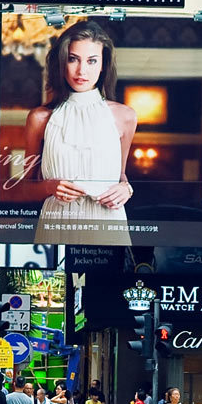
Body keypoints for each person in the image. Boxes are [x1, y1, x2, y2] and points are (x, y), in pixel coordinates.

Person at [24, 20, 137, 245]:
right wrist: (50, 186)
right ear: (61, 62)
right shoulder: (40, 118)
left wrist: (126, 189)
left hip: (108, 220)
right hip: (58, 221)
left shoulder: (125, 116)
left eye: (92, 61)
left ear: (103, 65)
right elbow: (25, 188)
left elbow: (120, 175)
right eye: (73, 59)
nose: (81, 70)